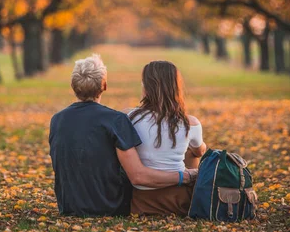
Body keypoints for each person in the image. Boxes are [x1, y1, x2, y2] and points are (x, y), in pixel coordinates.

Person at [48, 54, 198, 217]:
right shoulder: (115, 120)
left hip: (68, 205)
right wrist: (186, 176)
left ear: (72, 85)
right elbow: (137, 176)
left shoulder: (57, 119)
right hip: (110, 206)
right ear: (104, 86)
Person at [128, 61, 207, 216]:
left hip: (142, 201)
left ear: (146, 88)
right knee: (193, 150)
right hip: (179, 202)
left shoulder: (129, 118)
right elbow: (200, 151)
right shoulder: (190, 123)